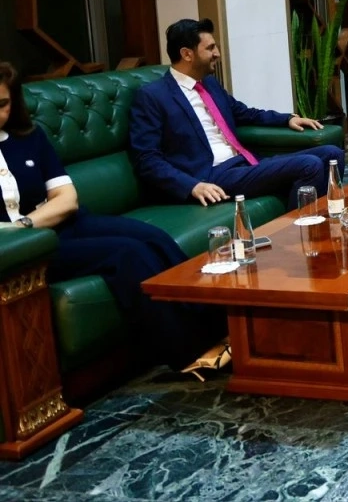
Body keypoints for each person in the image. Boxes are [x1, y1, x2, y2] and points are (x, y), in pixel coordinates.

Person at [0, 62, 222, 369]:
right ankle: (187, 353)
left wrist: (22, 223)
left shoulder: (29, 137)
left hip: (65, 223)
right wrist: (30, 227)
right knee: (129, 254)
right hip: (31, 250)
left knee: (154, 238)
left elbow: (67, 200)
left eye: (3, 104)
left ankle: (219, 327)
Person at [130, 18, 344, 209]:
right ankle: (298, 234)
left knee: (332, 154)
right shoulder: (152, 96)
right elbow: (147, 159)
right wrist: (192, 185)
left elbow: (244, 113)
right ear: (187, 54)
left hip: (243, 163)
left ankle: (327, 225)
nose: (217, 53)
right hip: (211, 175)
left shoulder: (210, 84)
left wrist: (287, 119)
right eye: (210, 48)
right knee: (309, 165)